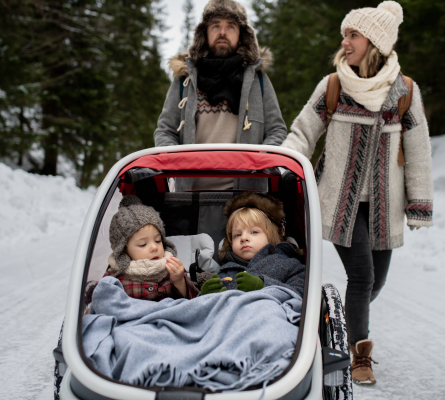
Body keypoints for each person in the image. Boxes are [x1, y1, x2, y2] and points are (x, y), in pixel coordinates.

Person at [281, 1, 433, 385]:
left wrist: (419, 203)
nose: (345, 42)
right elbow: (302, 133)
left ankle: (338, 322)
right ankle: (359, 355)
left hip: (385, 205)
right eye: (344, 35)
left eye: (353, 35)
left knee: (374, 283)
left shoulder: (404, 92)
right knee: (362, 276)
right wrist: (282, 169)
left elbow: (417, 151)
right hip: (339, 201)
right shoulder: (333, 85)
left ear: (375, 42)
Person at [154, 0, 287, 191]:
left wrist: (258, 161)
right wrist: (177, 163)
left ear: (241, 36)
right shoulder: (185, 78)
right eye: (216, 25)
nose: (222, 32)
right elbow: (165, 131)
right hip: (189, 199)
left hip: (246, 201)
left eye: (230, 26)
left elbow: (277, 131)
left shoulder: (258, 79)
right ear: (204, 34)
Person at [200, 192, 305, 297]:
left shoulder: (287, 265)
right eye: (237, 235)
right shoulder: (225, 272)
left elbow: (301, 293)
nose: (244, 238)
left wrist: (263, 285)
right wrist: (205, 296)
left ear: (271, 235)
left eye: (254, 232)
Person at [104, 195, 199, 300]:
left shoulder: (171, 268)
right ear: (124, 249)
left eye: (158, 241)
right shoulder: (115, 275)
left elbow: (194, 301)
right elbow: (104, 301)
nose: (154, 247)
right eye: (143, 244)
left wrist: (180, 281)